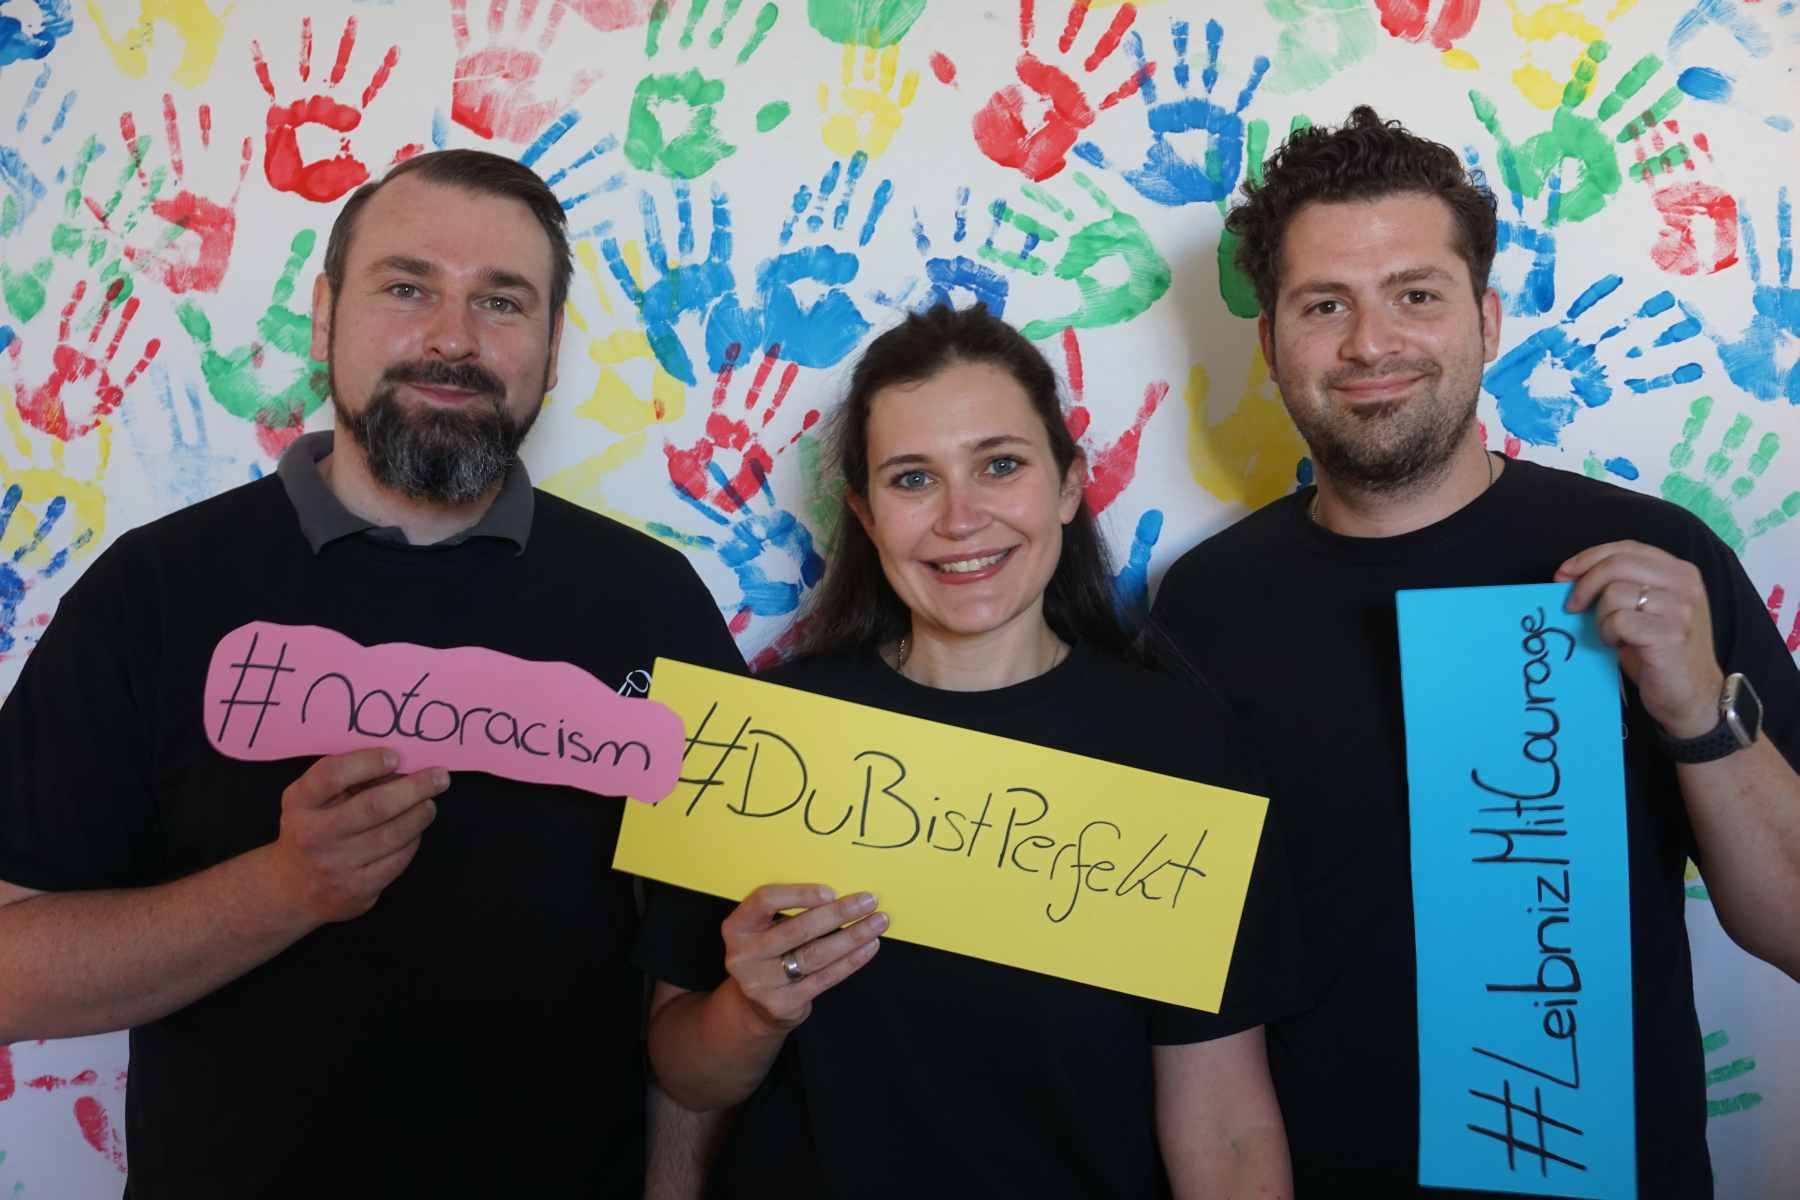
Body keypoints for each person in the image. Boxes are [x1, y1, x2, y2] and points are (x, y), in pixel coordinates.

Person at [0, 150, 743, 1198]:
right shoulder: (155, 590)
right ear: (324, 317)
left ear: (551, 350)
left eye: (502, 301)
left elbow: (693, 987)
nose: (452, 337)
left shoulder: (650, 602)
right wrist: (284, 888)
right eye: (407, 288)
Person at [1151, 106, 1800, 1196]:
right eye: (1325, 304)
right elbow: (1192, 970)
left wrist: (1697, 708)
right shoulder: (1206, 604)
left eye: (1416, 294)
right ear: (1268, 345)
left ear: (1487, 320)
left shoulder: (1656, 561)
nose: (1371, 344)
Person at [638, 303, 1301, 1198]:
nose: (961, 517)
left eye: (1000, 465)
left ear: (1068, 485)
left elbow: (1224, 1126)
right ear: (866, 515)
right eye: (913, 479)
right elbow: (683, 1075)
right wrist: (751, 1009)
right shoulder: (764, 739)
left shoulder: (1183, 749)